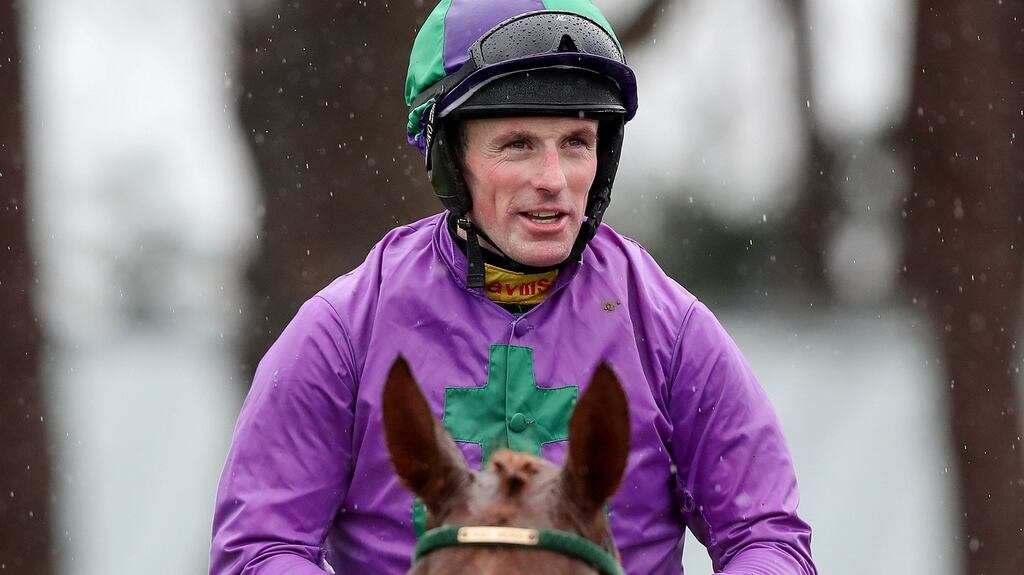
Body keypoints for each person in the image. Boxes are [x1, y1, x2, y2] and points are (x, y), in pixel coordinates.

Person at [210, 1, 816, 574]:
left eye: (576, 144)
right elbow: (260, 548)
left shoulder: (670, 329)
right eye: (518, 145)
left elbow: (767, 536)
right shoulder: (342, 332)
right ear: (451, 157)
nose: (553, 180)